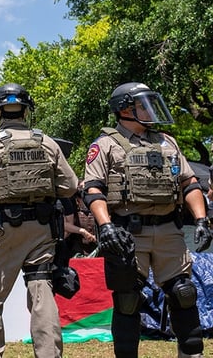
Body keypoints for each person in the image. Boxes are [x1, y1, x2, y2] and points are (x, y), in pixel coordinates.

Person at [83, 82, 212, 358]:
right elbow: (93, 189)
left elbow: (189, 183)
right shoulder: (104, 145)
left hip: (169, 230)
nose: (151, 110)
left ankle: (191, 354)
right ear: (124, 109)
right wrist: (106, 226)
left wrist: (202, 220)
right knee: (128, 299)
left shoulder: (167, 142)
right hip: (128, 234)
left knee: (184, 293)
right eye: (143, 105)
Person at [0, 83, 79, 358]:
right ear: (26, 111)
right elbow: (69, 186)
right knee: (42, 294)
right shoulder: (47, 142)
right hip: (41, 230)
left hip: (2, 232)